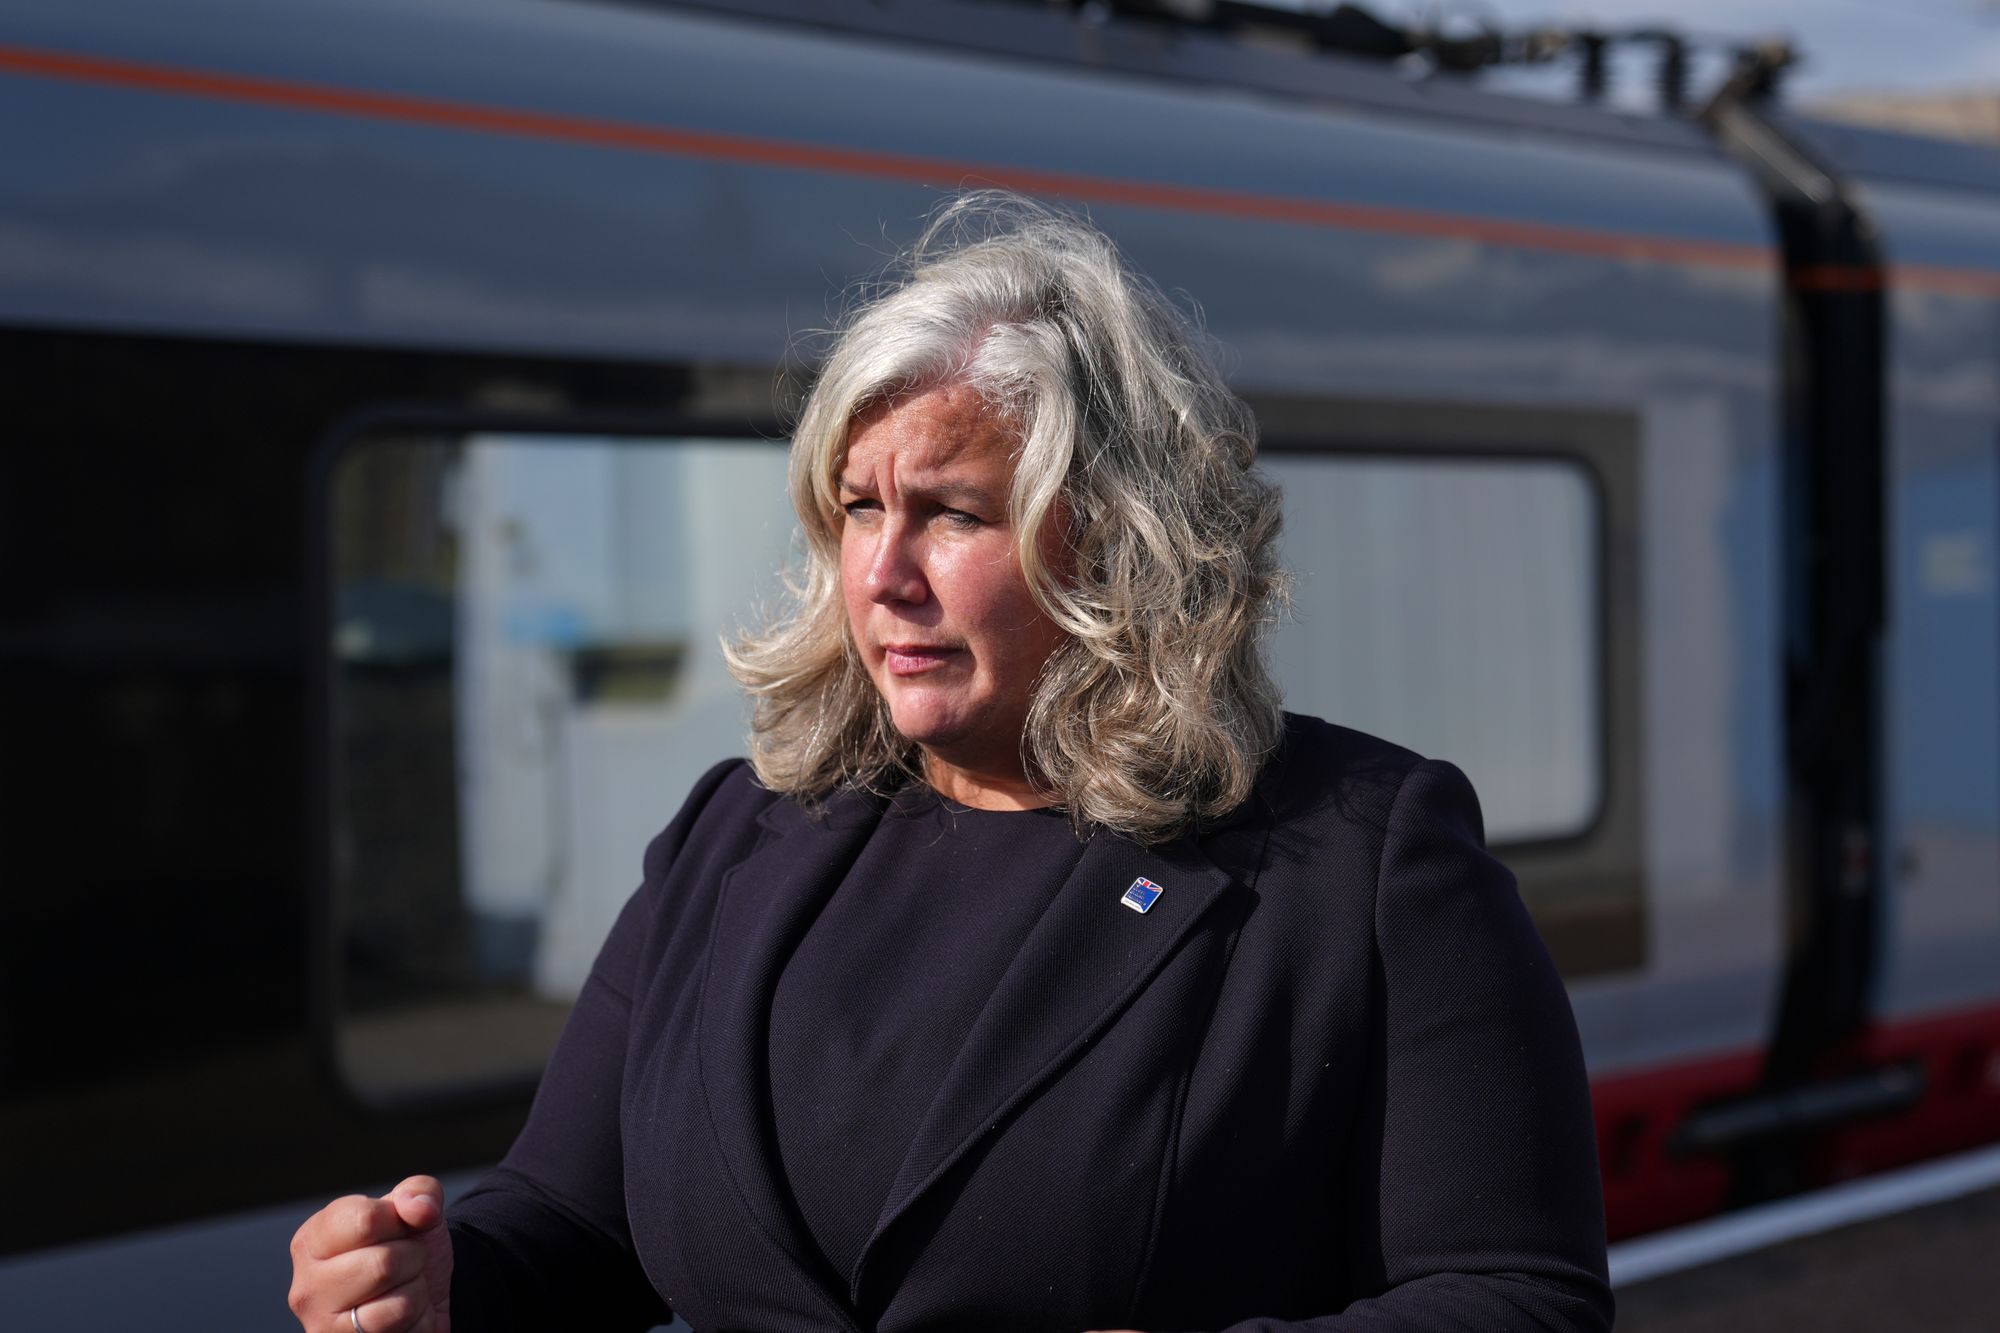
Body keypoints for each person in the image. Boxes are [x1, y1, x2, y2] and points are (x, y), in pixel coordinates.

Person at [288, 192, 1612, 1333]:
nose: (883, 573)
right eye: (860, 507)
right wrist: (439, 1278)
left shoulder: (1362, 858)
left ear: (1116, 541)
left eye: (953, 514)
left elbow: (1522, 1296)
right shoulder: (737, 835)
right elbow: (572, 1218)